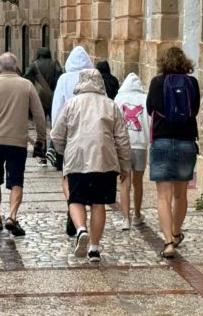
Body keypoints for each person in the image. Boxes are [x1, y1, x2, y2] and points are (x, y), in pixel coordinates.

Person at [51, 68, 131, 262]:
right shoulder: (110, 105)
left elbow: (56, 134)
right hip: (104, 161)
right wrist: (125, 164)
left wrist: (63, 151)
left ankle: (80, 230)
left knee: (76, 199)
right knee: (98, 203)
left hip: (76, 159)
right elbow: (122, 138)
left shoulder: (71, 104)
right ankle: (94, 248)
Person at [0, 52, 46, 236]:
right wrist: (41, 138)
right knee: (16, 181)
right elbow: (39, 115)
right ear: (15, 67)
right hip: (18, 142)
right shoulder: (26, 85)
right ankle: (12, 216)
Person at [146, 47, 200, 258]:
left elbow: (150, 109)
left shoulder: (156, 83)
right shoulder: (192, 83)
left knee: (163, 197)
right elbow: (195, 109)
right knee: (181, 195)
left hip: (161, 143)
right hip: (186, 143)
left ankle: (168, 242)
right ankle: (177, 233)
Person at [45, 45, 94, 237]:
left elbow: (57, 108)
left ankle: (72, 205)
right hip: (91, 136)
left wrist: (55, 137)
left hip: (70, 135)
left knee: (68, 175)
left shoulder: (64, 79)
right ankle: (79, 210)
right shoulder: (93, 77)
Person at [114, 72, 150, 230]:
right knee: (138, 182)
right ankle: (137, 214)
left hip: (123, 145)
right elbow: (149, 120)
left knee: (124, 181)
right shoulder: (145, 99)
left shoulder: (118, 99)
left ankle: (126, 218)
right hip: (140, 144)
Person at [24, 47, 63, 166]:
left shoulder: (34, 65)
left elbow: (26, 77)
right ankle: (56, 153)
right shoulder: (55, 63)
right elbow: (59, 77)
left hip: (39, 99)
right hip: (54, 98)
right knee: (55, 126)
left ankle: (42, 156)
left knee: (40, 127)